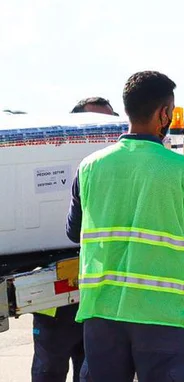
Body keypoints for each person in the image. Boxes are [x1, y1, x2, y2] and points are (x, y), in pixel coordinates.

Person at [65, 71, 184, 382]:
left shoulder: (89, 167)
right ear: (164, 114)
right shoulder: (183, 169)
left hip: (103, 312)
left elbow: (74, 232)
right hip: (162, 315)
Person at [30, 97, 117, 382]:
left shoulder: (114, 170)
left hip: (99, 298)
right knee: (49, 369)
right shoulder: (50, 165)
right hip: (56, 298)